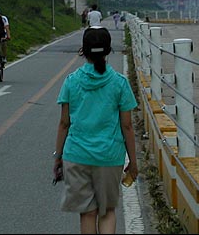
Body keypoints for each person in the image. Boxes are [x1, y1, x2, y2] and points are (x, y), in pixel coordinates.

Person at [53, 26, 139, 234]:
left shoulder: (71, 82)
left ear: (84, 50)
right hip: (109, 157)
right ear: (109, 51)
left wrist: (58, 157)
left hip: (77, 156)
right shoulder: (119, 83)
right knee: (107, 212)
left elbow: (64, 124)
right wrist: (133, 162)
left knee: (87, 213)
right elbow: (127, 126)